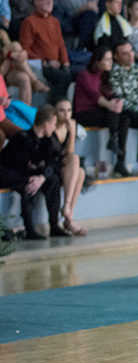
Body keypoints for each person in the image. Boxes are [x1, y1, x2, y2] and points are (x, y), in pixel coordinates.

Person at [0, 104, 70, 239]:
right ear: (46, 124)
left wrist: (42, 178)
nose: (55, 128)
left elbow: (52, 164)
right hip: (8, 173)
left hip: (27, 174)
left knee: (53, 179)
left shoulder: (46, 141)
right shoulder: (22, 138)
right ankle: (29, 229)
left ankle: (54, 225)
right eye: (53, 124)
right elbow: (21, 167)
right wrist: (36, 178)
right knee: (28, 183)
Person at [73, 46, 131, 176]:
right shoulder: (84, 75)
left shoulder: (105, 76)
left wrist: (117, 101)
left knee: (125, 119)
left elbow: (111, 94)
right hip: (84, 113)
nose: (111, 62)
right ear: (97, 61)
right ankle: (113, 137)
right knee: (113, 112)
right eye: (107, 60)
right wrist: (111, 105)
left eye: (111, 59)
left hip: (101, 112)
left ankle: (120, 161)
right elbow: (95, 95)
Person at [19, 0, 74, 103]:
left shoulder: (55, 21)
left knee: (78, 72)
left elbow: (61, 45)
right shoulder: (29, 21)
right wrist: (45, 62)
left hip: (56, 64)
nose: (50, 2)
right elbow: (24, 49)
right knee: (63, 77)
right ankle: (55, 108)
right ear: (36, 2)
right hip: (40, 65)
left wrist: (65, 63)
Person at [52, 98, 87, 236]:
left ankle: (69, 216)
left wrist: (72, 132)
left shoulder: (70, 125)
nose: (66, 114)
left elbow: (69, 152)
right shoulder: (51, 126)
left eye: (69, 110)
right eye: (61, 110)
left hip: (63, 164)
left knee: (81, 172)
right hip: (50, 164)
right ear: (55, 112)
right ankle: (67, 209)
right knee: (75, 159)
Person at [1, 41, 50, 105]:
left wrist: (14, 55)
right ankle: (35, 81)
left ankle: (25, 111)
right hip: (2, 72)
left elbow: (3, 50)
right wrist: (11, 55)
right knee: (16, 47)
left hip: (6, 67)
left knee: (24, 78)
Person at [0, 73, 20, 146]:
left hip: (2, 118)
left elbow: (5, 95)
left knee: (21, 135)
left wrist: (6, 101)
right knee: (1, 137)